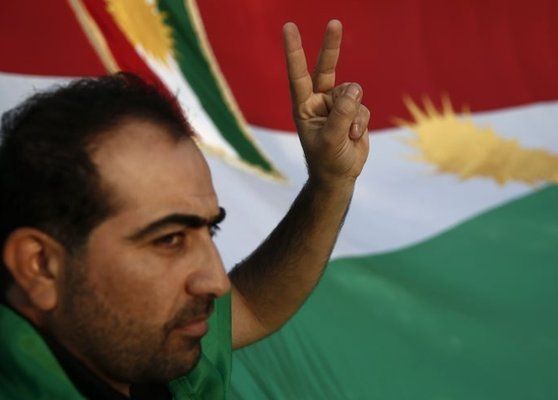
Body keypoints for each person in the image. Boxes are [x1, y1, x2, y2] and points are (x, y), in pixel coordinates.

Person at [0, 20, 369, 400]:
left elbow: (250, 307)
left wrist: (330, 182)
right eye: (170, 239)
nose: (217, 282)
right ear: (40, 264)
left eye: (210, 231)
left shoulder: (142, 352)